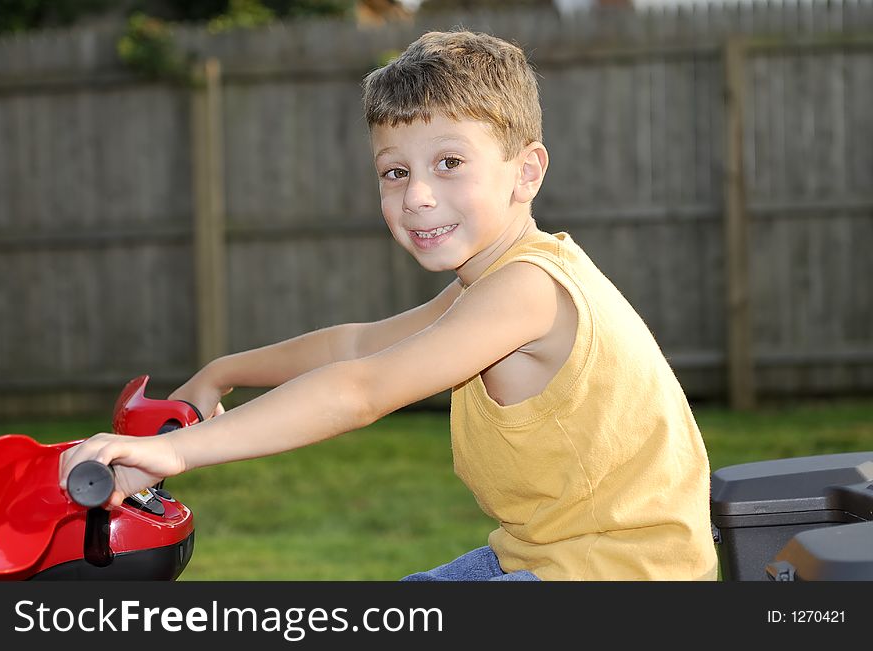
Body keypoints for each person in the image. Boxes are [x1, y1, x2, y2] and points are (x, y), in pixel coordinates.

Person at [59, 29, 718, 581]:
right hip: (548, 560)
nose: (418, 196)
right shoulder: (486, 286)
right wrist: (223, 371)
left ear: (527, 170)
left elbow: (360, 389)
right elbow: (356, 345)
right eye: (395, 172)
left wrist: (184, 450)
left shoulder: (528, 291)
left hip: (620, 577)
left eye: (450, 162)